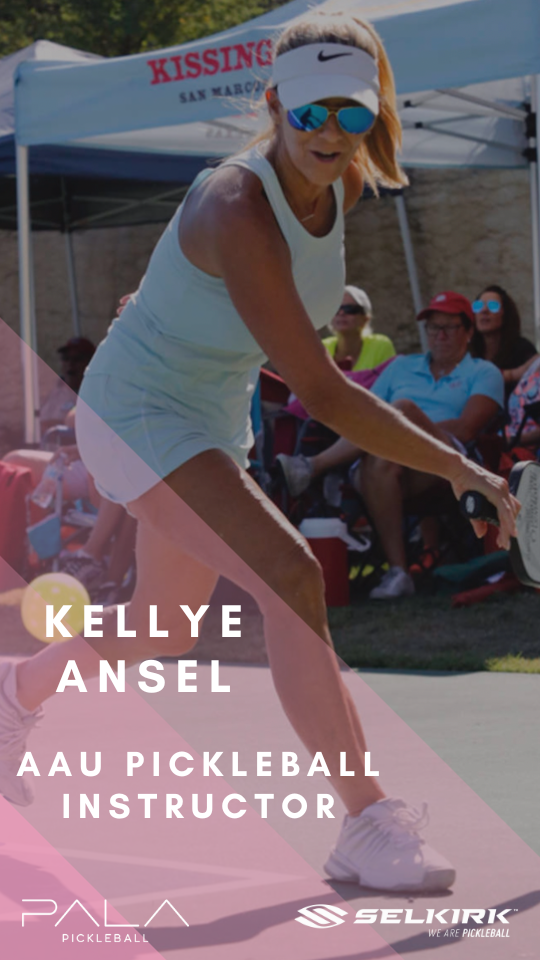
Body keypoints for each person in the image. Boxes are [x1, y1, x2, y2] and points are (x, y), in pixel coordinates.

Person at [0, 13, 518, 892]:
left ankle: (18, 695)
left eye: (351, 113)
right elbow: (323, 390)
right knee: (290, 575)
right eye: (311, 110)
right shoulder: (237, 203)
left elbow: (241, 304)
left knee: (165, 626)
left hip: (208, 408)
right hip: (137, 409)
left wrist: (170, 299)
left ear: (373, 114)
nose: (329, 131)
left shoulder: (342, 183)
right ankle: (364, 819)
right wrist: (461, 467)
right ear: (276, 103)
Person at [278, 292, 505, 598]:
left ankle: (312, 467)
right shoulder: (401, 367)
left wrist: (409, 430)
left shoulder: (483, 372)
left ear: (468, 331)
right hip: (389, 461)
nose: (439, 335)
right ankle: (399, 573)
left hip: (449, 464)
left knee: (402, 410)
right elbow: (366, 413)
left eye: (449, 327)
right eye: (433, 327)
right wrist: (398, 437)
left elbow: (467, 428)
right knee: (380, 458)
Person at [470, 285, 538, 395]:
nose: (484, 310)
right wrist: (513, 374)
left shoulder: (522, 349)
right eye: (478, 306)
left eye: (493, 306)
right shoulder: (466, 350)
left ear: (505, 314)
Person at [322, 285, 395, 370]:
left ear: (365, 319)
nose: (341, 313)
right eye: (335, 309)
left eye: (349, 309)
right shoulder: (322, 348)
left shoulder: (381, 346)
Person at [40, 337, 96, 434]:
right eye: (66, 358)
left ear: (91, 363)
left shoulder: (99, 393)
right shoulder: (55, 393)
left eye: (77, 359)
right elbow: (40, 424)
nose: (70, 364)